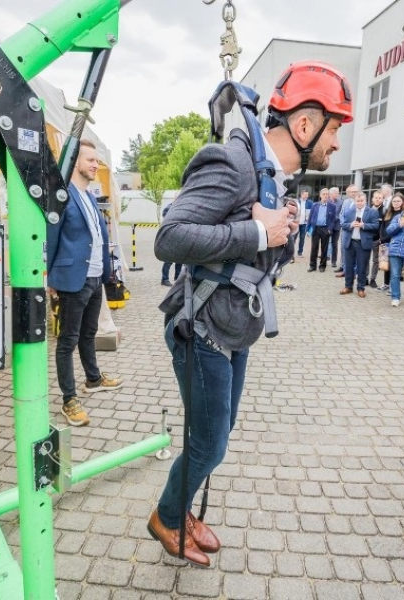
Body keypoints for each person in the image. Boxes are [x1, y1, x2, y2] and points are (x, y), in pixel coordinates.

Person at [151, 60, 353, 568]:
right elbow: (169, 237)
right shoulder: (233, 162)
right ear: (304, 126)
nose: (336, 145)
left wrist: (274, 235)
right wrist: (258, 234)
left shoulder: (270, 176)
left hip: (232, 329)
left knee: (214, 439)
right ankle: (168, 517)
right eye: (335, 130)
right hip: (201, 328)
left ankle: (180, 511)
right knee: (209, 446)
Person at [46, 139, 123, 428]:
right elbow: (51, 237)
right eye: (90, 160)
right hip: (72, 279)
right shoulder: (63, 195)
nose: (95, 165)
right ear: (75, 161)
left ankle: (93, 379)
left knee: (88, 334)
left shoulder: (90, 197)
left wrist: (106, 274)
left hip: (94, 278)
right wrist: (50, 276)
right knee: (67, 340)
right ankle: (69, 398)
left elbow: (97, 237)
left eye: (97, 160)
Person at [339, 191, 380, 297]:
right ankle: (348, 286)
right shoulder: (349, 211)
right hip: (350, 242)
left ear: (365, 201)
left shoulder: (372, 212)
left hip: (363, 243)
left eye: (361, 201)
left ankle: (361, 288)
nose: (360, 203)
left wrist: (363, 225)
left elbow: (376, 226)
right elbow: (343, 225)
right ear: (355, 201)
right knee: (348, 267)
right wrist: (350, 225)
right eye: (358, 201)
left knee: (362, 267)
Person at [377, 193, 404, 292]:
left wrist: (384, 239)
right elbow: (382, 227)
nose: (396, 203)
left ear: (402, 202)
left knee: (394, 266)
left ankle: (393, 287)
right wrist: (381, 238)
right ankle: (386, 284)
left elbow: (396, 230)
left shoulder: (403, 214)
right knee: (385, 264)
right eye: (394, 201)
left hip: (395, 243)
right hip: (385, 243)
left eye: (398, 201)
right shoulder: (387, 213)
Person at [307, 188, 338, 272]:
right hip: (315, 228)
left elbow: (334, 219)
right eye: (323, 194)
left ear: (328, 196)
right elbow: (310, 217)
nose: (325, 196)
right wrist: (308, 229)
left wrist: (329, 229)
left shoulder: (332, 206)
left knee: (324, 248)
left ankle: (322, 266)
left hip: (325, 229)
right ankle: (312, 265)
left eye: (326, 194)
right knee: (314, 248)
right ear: (320, 195)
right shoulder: (315, 205)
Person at [160, 196, 182, 286]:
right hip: (170, 237)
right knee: (169, 260)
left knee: (180, 259)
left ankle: (178, 277)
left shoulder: (179, 208)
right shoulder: (168, 209)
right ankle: (164, 279)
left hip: (179, 236)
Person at [367, 190, 386, 287]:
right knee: (365, 259)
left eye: (380, 198)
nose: (378, 199)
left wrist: (381, 239)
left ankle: (372, 279)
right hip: (365, 239)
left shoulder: (384, 211)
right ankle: (364, 278)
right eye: (376, 197)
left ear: (382, 199)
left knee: (376, 261)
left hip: (376, 240)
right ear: (372, 199)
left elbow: (384, 226)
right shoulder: (366, 209)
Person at [296, 189, 310, 257]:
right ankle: (291, 253)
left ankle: (300, 252)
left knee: (302, 238)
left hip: (304, 224)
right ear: (301, 194)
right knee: (294, 238)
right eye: (305, 194)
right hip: (296, 223)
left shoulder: (310, 203)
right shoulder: (296, 202)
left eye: (307, 195)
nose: (306, 196)